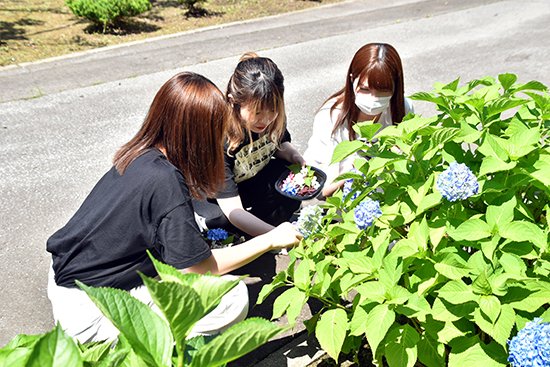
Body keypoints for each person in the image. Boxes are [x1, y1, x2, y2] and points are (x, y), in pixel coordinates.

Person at [46, 72, 302, 343]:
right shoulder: (166, 182)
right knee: (231, 297)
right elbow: (198, 269)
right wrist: (271, 240)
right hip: (89, 311)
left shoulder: (140, 155)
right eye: (216, 130)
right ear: (198, 134)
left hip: (69, 276)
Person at [193, 53, 305, 237]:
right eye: (257, 112)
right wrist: (275, 237)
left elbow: (279, 143)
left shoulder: (272, 120)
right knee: (220, 221)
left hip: (249, 178)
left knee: (290, 186)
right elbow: (232, 210)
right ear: (233, 101)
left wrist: (294, 156)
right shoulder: (220, 137)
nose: (266, 119)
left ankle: (258, 229)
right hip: (214, 193)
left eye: (273, 110)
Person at [303, 43, 414, 197]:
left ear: (396, 85)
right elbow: (321, 184)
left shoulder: (403, 108)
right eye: (365, 89)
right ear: (352, 80)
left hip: (390, 198)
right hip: (344, 201)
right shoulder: (331, 115)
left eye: (383, 90)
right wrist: (355, 169)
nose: (373, 99)